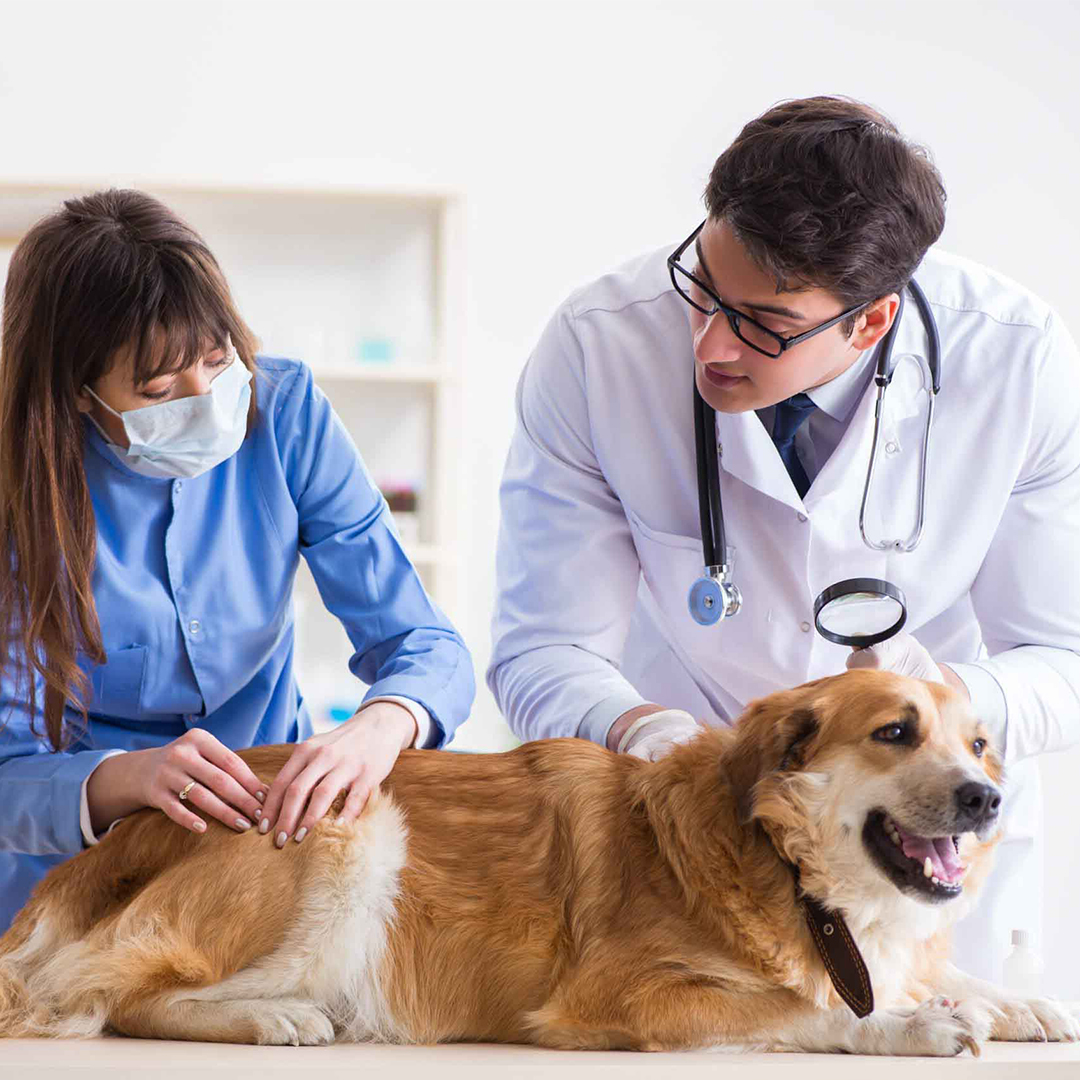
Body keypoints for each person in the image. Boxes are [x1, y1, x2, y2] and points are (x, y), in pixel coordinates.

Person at [488, 96, 1080, 982]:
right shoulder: (596, 344)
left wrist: (944, 702)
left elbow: (1063, 657)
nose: (710, 346)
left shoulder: (1016, 359)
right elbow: (542, 648)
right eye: (702, 291)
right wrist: (652, 735)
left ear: (869, 321)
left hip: (915, 842)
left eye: (762, 324)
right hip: (679, 835)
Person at [0, 189, 475, 934]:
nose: (205, 399)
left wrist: (378, 726)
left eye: (217, 361)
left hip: (271, 852)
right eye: (159, 390)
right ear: (78, 395)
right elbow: (6, 773)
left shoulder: (285, 412)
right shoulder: (20, 487)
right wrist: (129, 778)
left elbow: (425, 644)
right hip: (69, 883)